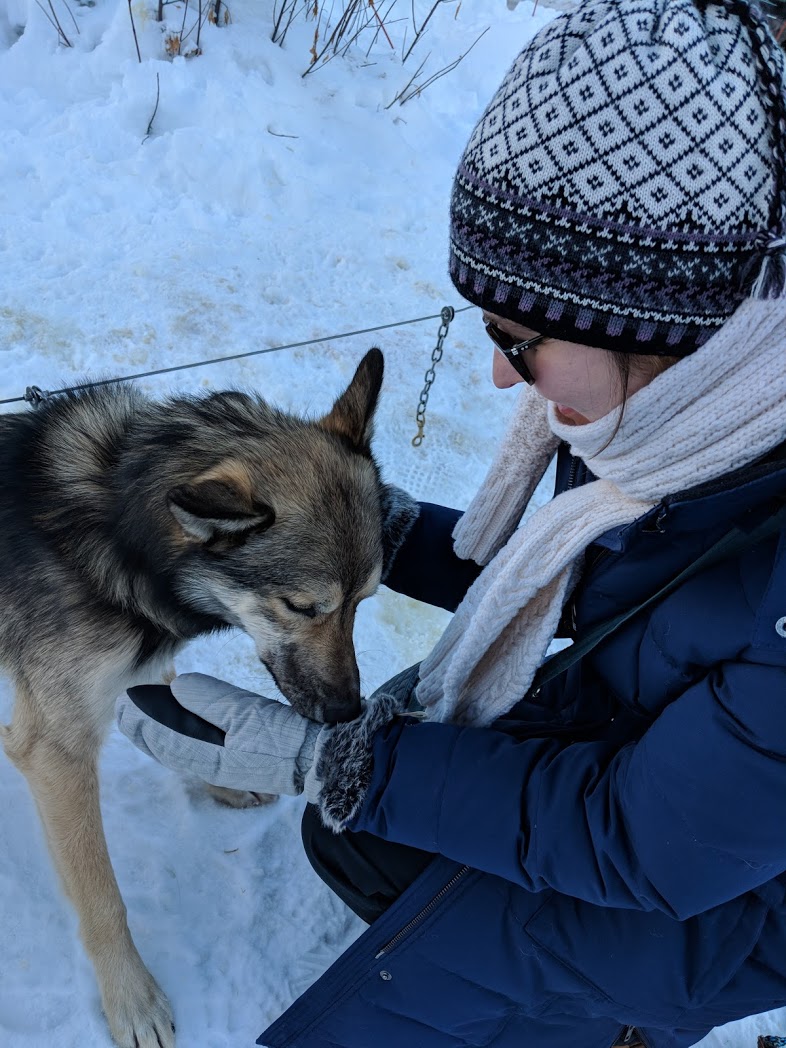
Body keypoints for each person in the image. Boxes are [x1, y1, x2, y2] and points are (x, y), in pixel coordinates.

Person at [116, 1, 786, 1046]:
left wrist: (326, 762)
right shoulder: (690, 405)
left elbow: (643, 845)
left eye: (520, 340)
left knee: (489, 946)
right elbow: (608, 581)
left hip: (720, 898)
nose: (494, 373)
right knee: (367, 839)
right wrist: (360, 527)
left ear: (657, 321)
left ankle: (607, 1025)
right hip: (666, 769)